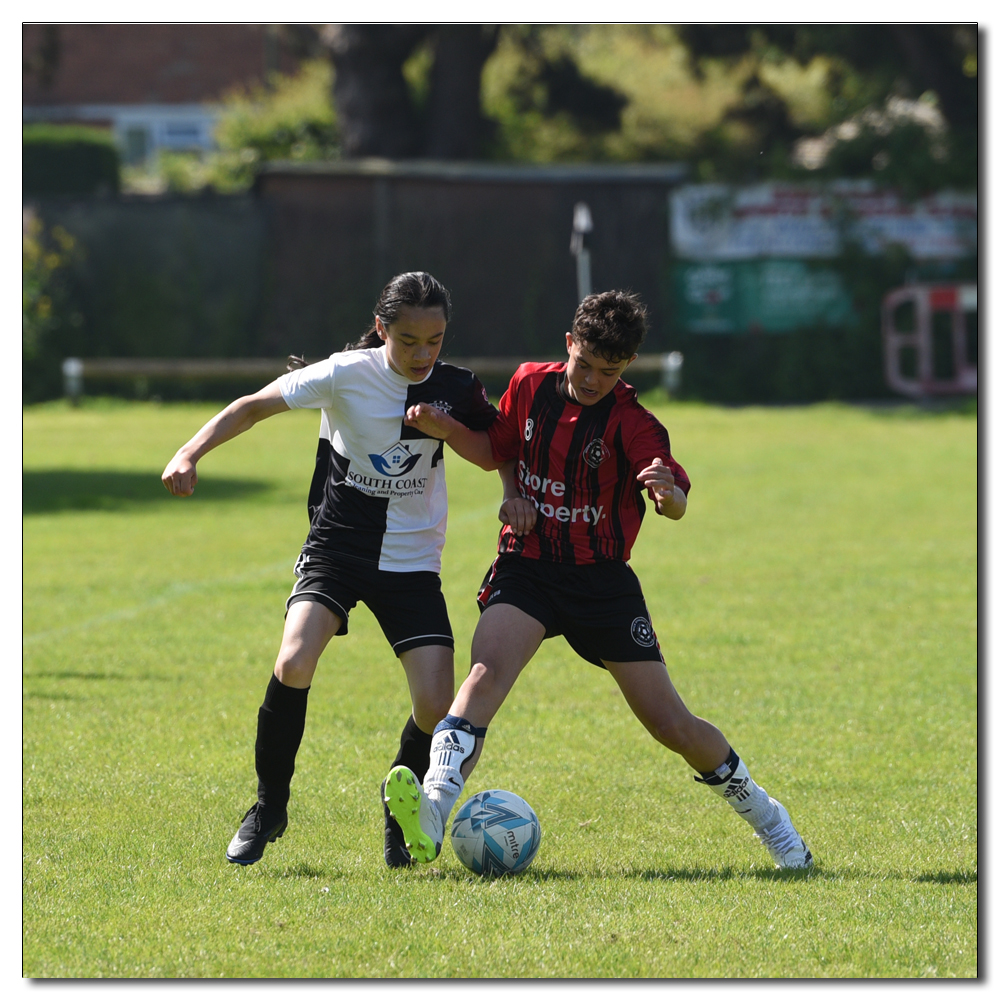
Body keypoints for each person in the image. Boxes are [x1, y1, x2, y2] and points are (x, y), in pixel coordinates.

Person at [383, 289, 813, 871]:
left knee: (670, 723)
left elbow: (674, 498)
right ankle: (433, 807)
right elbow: (497, 450)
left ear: (627, 367)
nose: (590, 380)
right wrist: (448, 432)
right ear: (568, 344)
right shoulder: (531, 384)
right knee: (483, 677)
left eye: (607, 372)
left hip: (601, 583)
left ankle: (771, 821)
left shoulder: (635, 423)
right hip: (528, 566)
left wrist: (670, 494)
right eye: (583, 364)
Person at [161, 271, 499, 867]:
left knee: (434, 704)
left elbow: (496, 451)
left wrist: (450, 431)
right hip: (337, 548)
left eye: (435, 340)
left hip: (413, 560)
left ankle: (406, 810)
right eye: (408, 340)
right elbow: (252, 406)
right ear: (380, 329)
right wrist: (189, 452)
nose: (423, 354)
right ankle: (269, 806)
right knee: (293, 661)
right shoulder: (345, 374)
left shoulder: (457, 387)